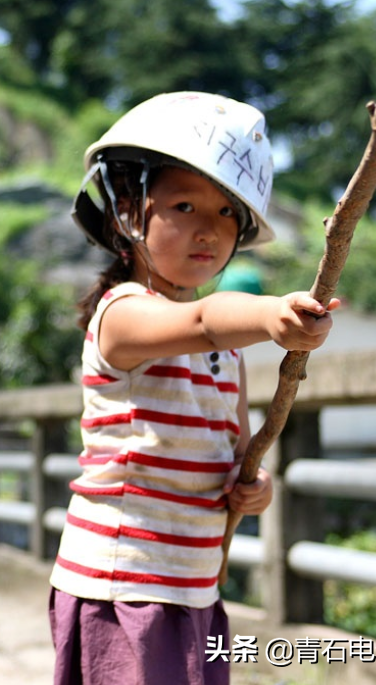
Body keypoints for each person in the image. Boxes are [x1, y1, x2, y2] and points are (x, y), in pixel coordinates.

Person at [48, 91, 338, 685]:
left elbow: (233, 458)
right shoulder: (123, 315)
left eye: (228, 213)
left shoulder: (226, 354)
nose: (209, 228)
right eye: (184, 204)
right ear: (128, 210)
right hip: (123, 581)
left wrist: (249, 488)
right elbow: (202, 321)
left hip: (194, 582)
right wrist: (269, 316)